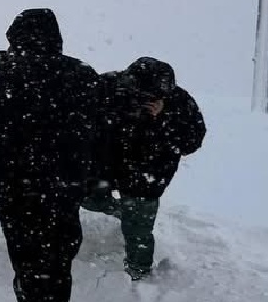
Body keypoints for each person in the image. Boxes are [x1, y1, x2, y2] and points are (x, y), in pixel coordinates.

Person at [0, 8, 101, 302]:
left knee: (31, 271)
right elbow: (97, 133)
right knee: (56, 269)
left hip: (24, 191)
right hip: (65, 192)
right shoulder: (84, 76)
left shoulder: (10, 78)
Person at [83, 56, 206, 280]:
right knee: (87, 197)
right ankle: (122, 211)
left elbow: (192, 142)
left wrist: (164, 117)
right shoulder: (109, 87)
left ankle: (139, 272)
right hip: (106, 165)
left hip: (147, 173)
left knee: (139, 229)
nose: (146, 100)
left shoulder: (179, 102)